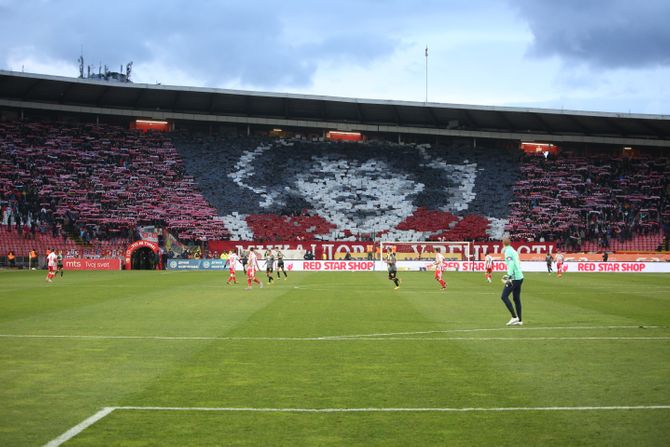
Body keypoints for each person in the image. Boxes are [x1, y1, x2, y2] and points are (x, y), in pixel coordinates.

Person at [500, 237, 524, 326]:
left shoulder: (508, 252)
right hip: (520, 277)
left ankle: (514, 317)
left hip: (513, 278)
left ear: (503, 244)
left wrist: (508, 276)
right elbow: (517, 262)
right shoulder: (514, 251)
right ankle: (520, 320)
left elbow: (511, 263)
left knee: (504, 296)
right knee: (516, 298)